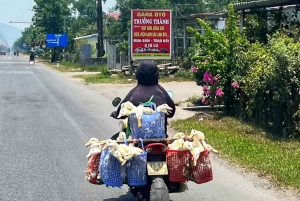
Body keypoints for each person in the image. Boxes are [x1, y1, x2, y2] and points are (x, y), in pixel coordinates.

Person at [110, 60, 176, 139]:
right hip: (161, 138)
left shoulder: (133, 93)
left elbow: (120, 112)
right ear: (156, 74)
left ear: (138, 74)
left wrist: (115, 114)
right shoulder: (161, 91)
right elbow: (171, 112)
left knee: (113, 140)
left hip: (136, 139)